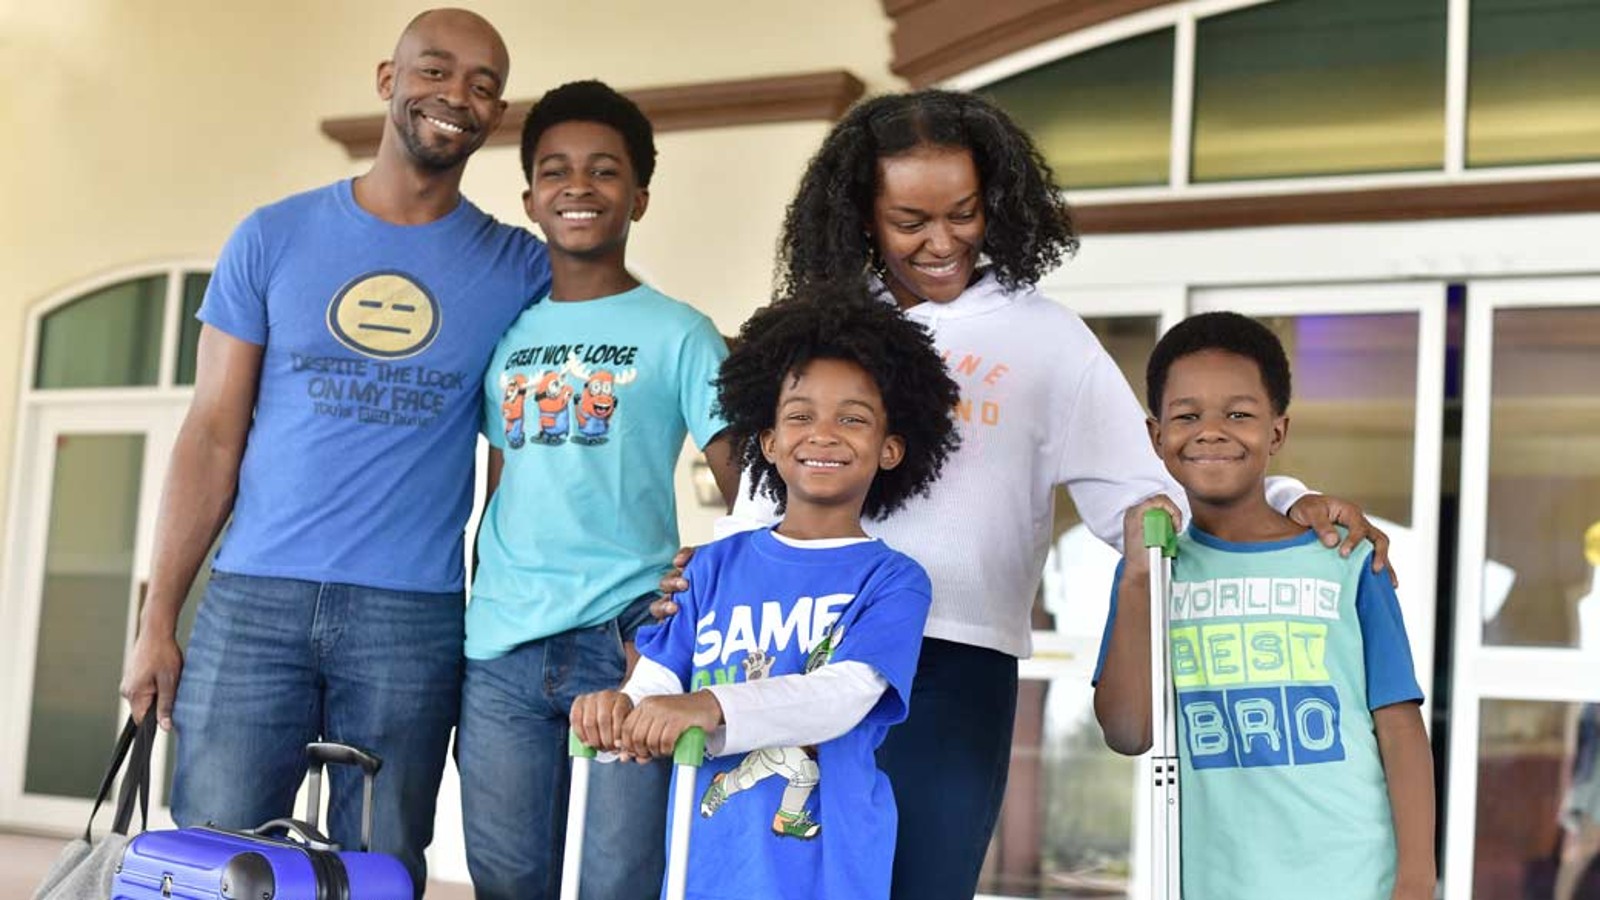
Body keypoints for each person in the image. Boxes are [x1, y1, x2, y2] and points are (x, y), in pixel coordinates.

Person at [656, 88, 1395, 900]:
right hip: (801, 650)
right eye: (911, 222)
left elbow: (1150, 496)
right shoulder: (819, 332)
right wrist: (699, 587)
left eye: (964, 213)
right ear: (863, 216)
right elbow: (770, 497)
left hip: (953, 661)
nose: (943, 242)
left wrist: (1284, 497)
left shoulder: (1044, 338)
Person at [115, 10, 549, 894]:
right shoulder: (272, 237)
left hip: (412, 615)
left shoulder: (520, 268)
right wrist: (157, 618)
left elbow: (535, 455)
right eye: (434, 71)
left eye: (482, 85)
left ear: (495, 116)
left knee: (377, 874)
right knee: (213, 863)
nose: (455, 96)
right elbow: (210, 434)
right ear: (388, 82)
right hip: (251, 606)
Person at [572, 288, 961, 899]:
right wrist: (616, 712)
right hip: (707, 860)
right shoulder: (713, 565)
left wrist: (711, 707)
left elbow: (844, 695)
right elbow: (657, 682)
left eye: (852, 418)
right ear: (771, 442)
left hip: (828, 868)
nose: (823, 435)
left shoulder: (893, 580)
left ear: (890, 449)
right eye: (800, 416)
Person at [456, 79, 741, 900]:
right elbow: (504, 475)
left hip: (625, 640)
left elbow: (746, 489)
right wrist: (479, 601)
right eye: (556, 171)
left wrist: (690, 606)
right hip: (503, 646)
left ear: (639, 197)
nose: (578, 186)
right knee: (507, 880)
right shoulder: (504, 331)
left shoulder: (678, 331)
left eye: (604, 171)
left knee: (620, 879)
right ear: (530, 199)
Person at [1092, 311, 1435, 900]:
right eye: (1187, 415)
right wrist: (1138, 583)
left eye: (1240, 414)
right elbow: (1127, 732)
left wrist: (1416, 878)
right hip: (1215, 879)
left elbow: (1399, 725)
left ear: (1276, 433)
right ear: (1156, 437)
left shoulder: (1346, 557)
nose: (1212, 431)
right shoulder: (1151, 568)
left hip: (1355, 875)